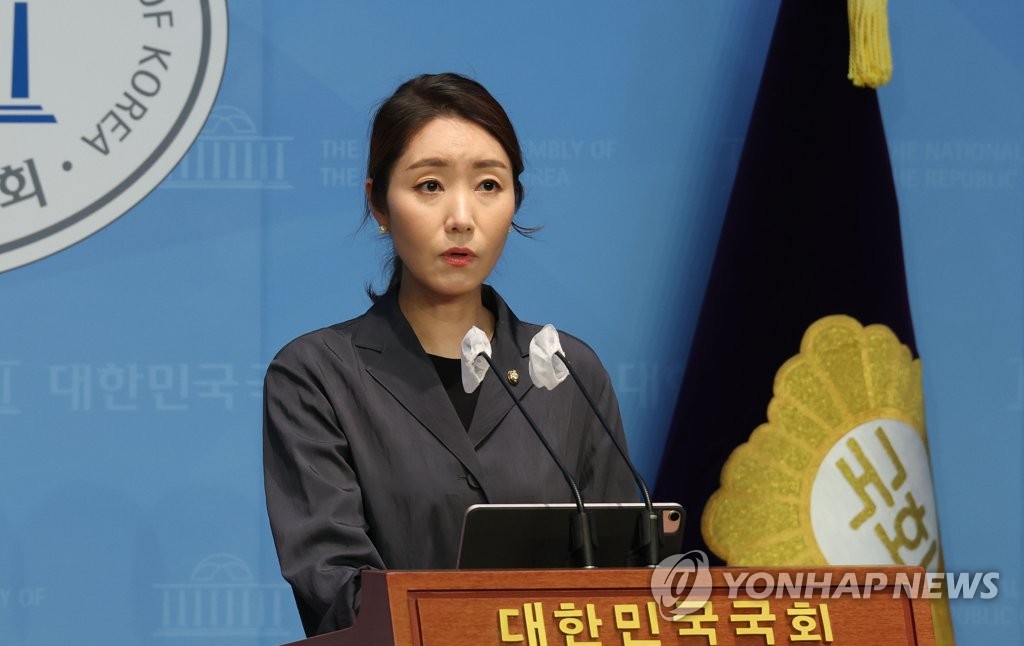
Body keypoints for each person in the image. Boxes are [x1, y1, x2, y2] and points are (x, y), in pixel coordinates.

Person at [263, 72, 637, 637]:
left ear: (515, 200)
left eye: (488, 185)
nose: (461, 217)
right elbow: (334, 584)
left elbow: (624, 576)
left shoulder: (567, 371)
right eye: (430, 185)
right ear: (378, 203)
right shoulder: (317, 375)